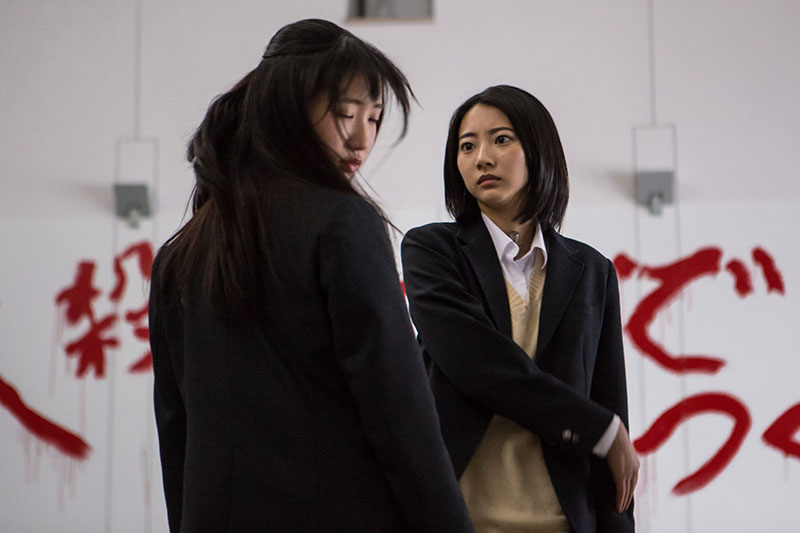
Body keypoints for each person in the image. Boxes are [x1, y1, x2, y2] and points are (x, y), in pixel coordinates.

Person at [149, 19, 473, 532]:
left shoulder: (178, 256)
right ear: (288, 106)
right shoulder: (343, 222)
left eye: (375, 117)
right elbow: (400, 414)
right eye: (346, 113)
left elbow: (176, 435)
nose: (362, 138)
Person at [401, 85, 639, 532]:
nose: (482, 158)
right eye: (467, 146)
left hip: (564, 521)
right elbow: (477, 363)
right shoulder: (430, 251)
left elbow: (609, 399)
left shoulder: (592, 271)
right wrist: (602, 430)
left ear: (538, 149)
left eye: (501, 139)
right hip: (458, 516)